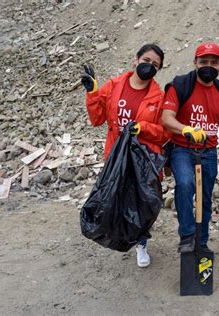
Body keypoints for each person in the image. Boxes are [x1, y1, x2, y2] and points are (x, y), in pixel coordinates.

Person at [81, 43, 171, 268]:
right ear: (136, 59)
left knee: (142, 204)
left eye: (155, 65)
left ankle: (141, 243)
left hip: (143, 159)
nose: (149, 66)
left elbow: (164, 133)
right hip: (117, 156)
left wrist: (143, 128)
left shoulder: (158, 97)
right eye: (146, 61)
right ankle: (118, 234)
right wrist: (92, 93)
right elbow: (97, 119)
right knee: (117, 199)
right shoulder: (115, 85)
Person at [161, 43, 219, 252]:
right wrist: (186, 129)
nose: (208, 66)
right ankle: (187, 236)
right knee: (185, 184)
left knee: (205, 197)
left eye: (213, 62)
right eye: (203, 62)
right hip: (182, 148)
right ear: (195, 63)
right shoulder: (180, 85)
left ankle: (201, 243)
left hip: (209, 151)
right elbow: (166, 118)